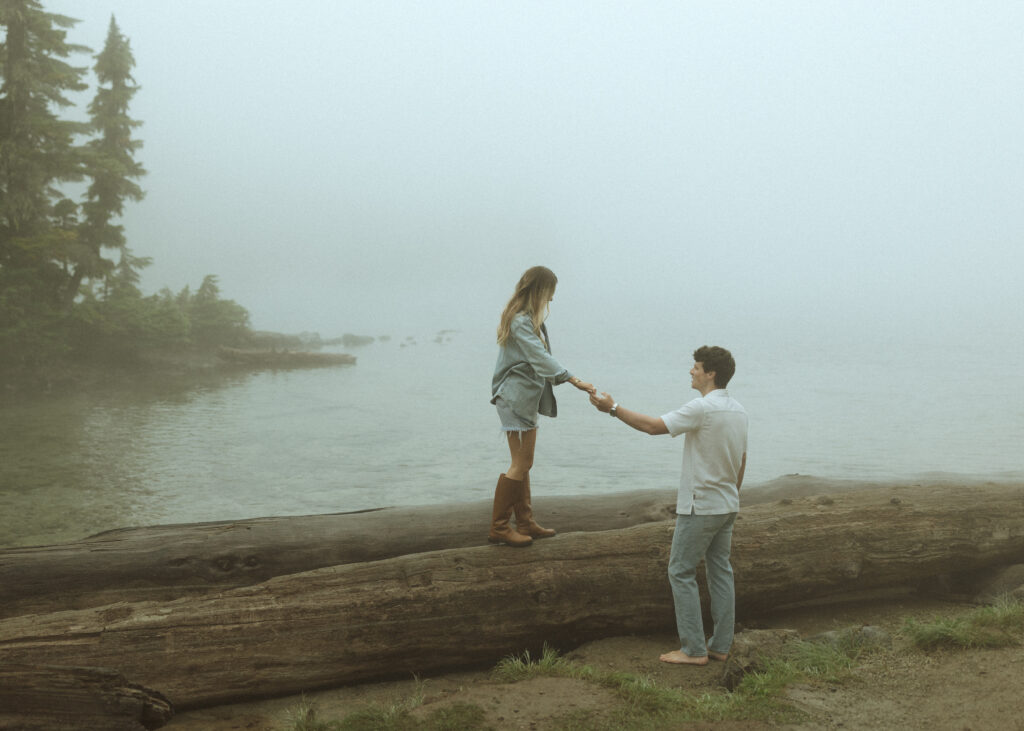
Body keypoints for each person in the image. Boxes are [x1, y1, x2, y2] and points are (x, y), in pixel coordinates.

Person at [589, 346, 747, 665]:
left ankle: (693, 649)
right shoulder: (739, 411)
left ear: (711, 373)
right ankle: (721, 645)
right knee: (720, 572)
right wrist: (730, 493)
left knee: (680, 570)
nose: (692, 371)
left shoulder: (702, 408)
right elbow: (742, 460)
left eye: (696, 367)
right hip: (727, 504)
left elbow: (652, 427)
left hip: (701, 505)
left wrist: (613, 407)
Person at [489, 266, 595, 547]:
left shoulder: (525, 320)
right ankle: (500, 527)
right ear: (540, 291)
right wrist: (575, 380)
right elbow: (540, 358)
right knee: (522, 463)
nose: (551, 300)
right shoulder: (521, 322)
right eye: (550, 294)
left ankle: (524, 522)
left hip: (520, 398)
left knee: (523, 463)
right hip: (514, 397)